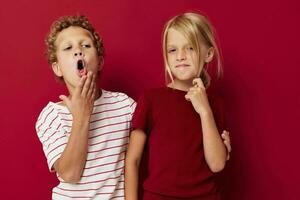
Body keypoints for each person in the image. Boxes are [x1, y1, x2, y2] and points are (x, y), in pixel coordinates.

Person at [125, 12, 230, 200]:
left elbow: (217, 164)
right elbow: (132, 161)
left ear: (208, 54)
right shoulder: (151, 100)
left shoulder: (215, 104)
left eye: (190, 47)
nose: (180, 56)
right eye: (172, 50)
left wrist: (205, 112)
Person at [35, 15, 136, 199]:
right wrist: (82, 117)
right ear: (57, 68)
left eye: (86, 45)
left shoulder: (125, 106)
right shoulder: (52, 115)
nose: (78, 51)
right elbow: (70, 174)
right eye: (68, 47)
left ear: (99, 62)